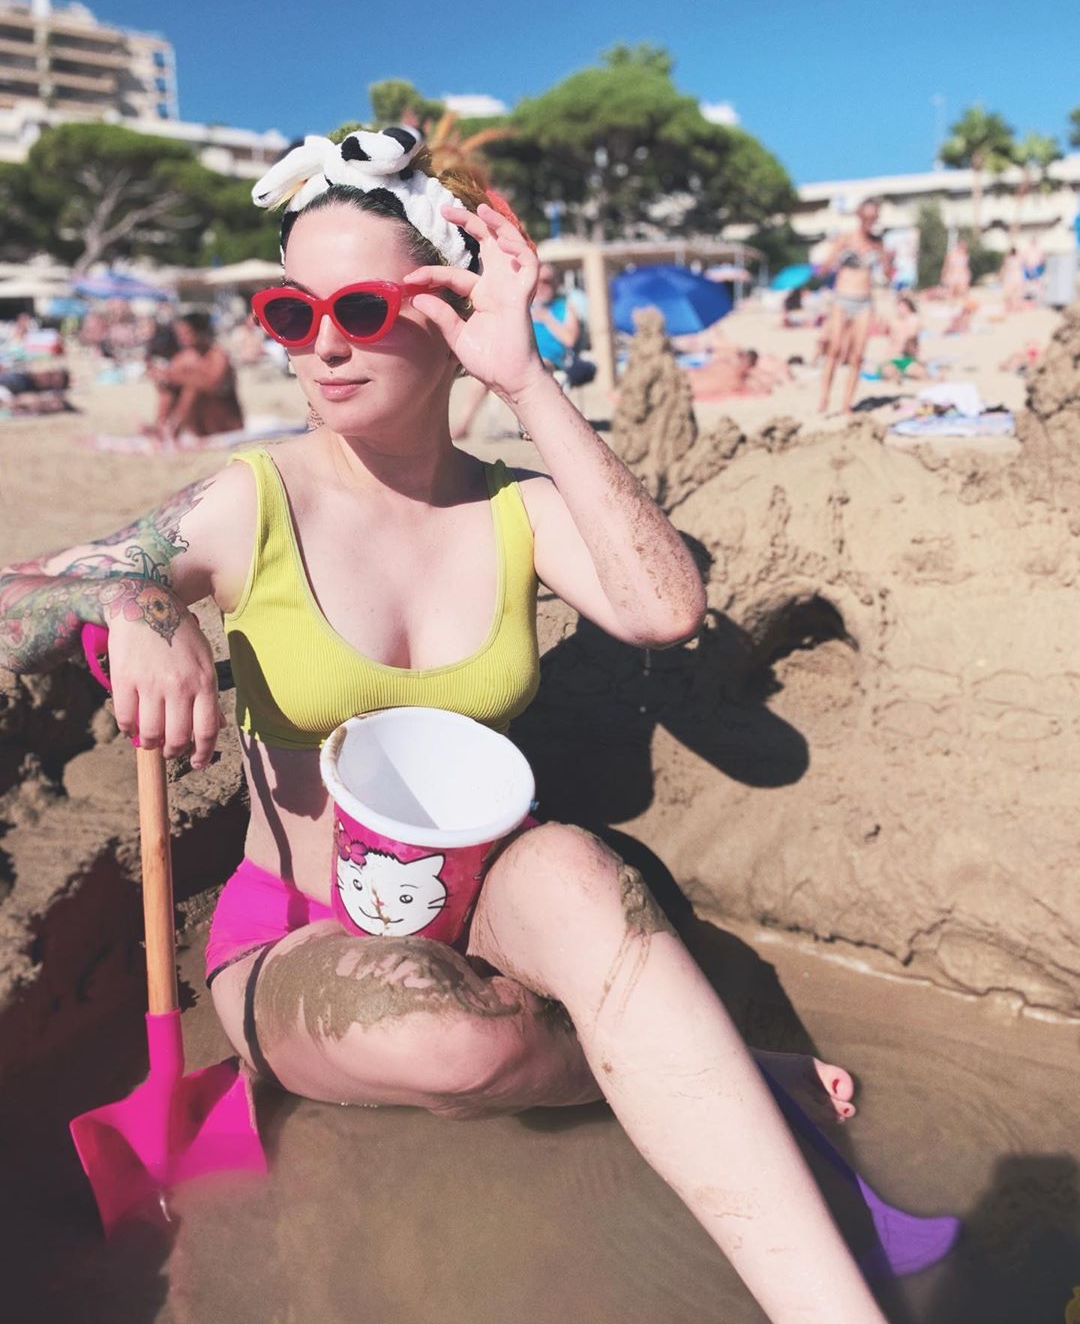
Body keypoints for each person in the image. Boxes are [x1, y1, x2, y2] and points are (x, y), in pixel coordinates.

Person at [0, 124, 889, 1323]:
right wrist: (138, 600)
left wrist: (525, 380)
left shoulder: (514, 507)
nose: (321, 346)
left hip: (494, 899)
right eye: (290, 312)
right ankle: (699, 1072)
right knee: (445, 1042)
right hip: (301, 935)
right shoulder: (252, 501)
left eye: (362, 310)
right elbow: (19, 596)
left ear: (446, 313)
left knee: (583, 872)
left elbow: (664, 608)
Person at [816, 198, 894, 415]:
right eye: (867, 217)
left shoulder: (878, 243)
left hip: (864, 302)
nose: (870, 221)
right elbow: (824, 267)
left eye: (874, 217)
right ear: (859, 216)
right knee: (834, 350)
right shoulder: (846, 238)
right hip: (842, 298)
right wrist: (833, 260)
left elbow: (887, 275)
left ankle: (846, 404)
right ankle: (824, 398)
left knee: (858, 355)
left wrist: (887, 259)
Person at [145, 311, 243, 445]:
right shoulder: (184, 357)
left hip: (223, 420)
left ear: (201, 331)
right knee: (167, 390)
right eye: (179, 334)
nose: (182, 337)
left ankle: (173, 429)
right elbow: (170, 380)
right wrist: (162, 378)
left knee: (193, 387)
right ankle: (161, 427)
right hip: (198, 423)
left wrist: (173, 376)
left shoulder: (218, 355)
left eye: (187, 333)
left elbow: (212, 383)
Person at [1001, 247, 1025, 314]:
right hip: (1018, 277)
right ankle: (1017, 306)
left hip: (1011, 277)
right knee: (1017, 293)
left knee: (1010, 293)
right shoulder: (1019, 259)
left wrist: (1001, 276)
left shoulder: (1009, 259)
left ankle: (1010, 306)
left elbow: (1005, 268)